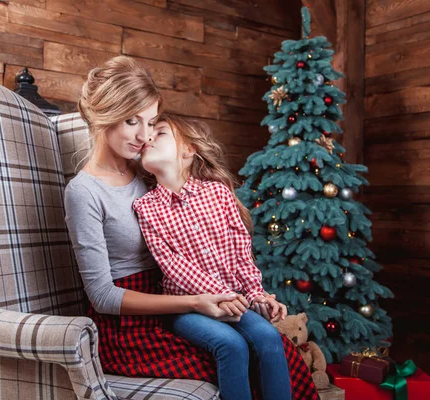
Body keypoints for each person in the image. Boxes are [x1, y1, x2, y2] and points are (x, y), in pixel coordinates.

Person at [63, 55, 319, 400]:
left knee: (273, 348)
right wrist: (197, 301)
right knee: (235, 351)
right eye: (131, 120)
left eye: (152, 124)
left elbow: (217, 238)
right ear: (103, 115)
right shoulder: (84, 192)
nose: (144, 136)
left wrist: (249, 294)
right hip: (132, 327)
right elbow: (103, 296)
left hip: (187, 301)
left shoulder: (146, 175)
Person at [133, 114, 290, 400]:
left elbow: (241, 250)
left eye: (161, 133)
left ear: (189, 150)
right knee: (231, 344)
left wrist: (257, 296)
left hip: (233, 298)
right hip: (185, 309)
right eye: (148, 136)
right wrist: (222, 294)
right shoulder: (146, 207)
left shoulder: (218, 193)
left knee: (268, 336)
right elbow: (172, 265)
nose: (149, 138)